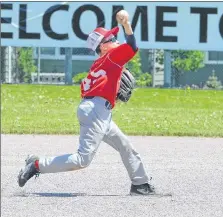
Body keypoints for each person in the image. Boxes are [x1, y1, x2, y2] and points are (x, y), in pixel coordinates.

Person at [17, 10, 155, 196]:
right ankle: (36, 165)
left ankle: (141, 184)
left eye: (115, 36)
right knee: (82, 159)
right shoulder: (112, 57)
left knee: (124, 145)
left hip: (97, 110)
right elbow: (132, 46)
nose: (116, 40)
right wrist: (126, 25)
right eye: (111, 38)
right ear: (103, 47)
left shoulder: (100, 63)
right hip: (96, 110)